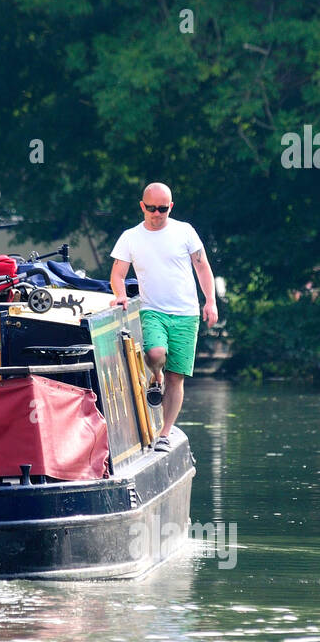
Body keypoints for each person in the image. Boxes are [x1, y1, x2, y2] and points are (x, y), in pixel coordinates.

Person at [110, 182, 218, 452]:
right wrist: (121, 294)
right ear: (142, 206)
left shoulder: (185, 231)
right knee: (156, 354)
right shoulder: (130, 237)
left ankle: (165, 433)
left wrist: (211, 301)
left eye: (162, 209)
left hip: (186, 313)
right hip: (152, 309)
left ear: (170, 207)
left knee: (176, 377)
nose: (156, 214)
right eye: (151, 209)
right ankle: (154, 375)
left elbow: (202, 266)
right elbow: (118, 274)